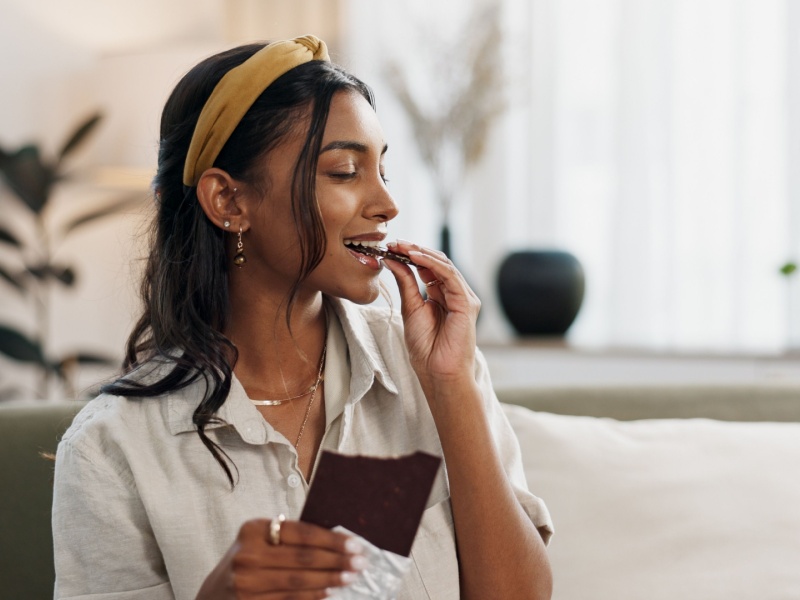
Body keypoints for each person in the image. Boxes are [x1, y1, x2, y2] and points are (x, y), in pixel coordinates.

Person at [52, 35, 553, 600]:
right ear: (229, 203)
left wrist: (450, 387)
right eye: (344, 171)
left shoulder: (432, 368)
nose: (386, 203)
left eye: (382, 169)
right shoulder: (111, 448)